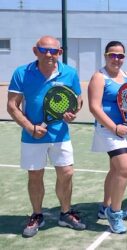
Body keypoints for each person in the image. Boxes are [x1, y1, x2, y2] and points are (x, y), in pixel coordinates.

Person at [7, 35, 85, 237]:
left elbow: (78, 99)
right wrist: (29, 127)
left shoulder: (69, 72)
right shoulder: (22, 73)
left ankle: (65, 213)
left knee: (66, 173)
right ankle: (37, 214)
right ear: (35, 51)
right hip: (32, 136)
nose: (50, 54)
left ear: (60, 52)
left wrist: (72, 112)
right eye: (44, 50)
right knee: (35, 175)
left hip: (60, 134)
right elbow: (12, 106)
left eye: (55, 51)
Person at [88, 41, 127, 234]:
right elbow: (94, 107)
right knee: (125, 167)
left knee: (115, 169)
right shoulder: (99, 77)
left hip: (124, 129)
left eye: (120, 56)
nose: (116, 59)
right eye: (112, 55)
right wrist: (114, 127)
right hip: (108, 130)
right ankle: (115, 213)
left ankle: (105, 206)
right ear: (106, 56)